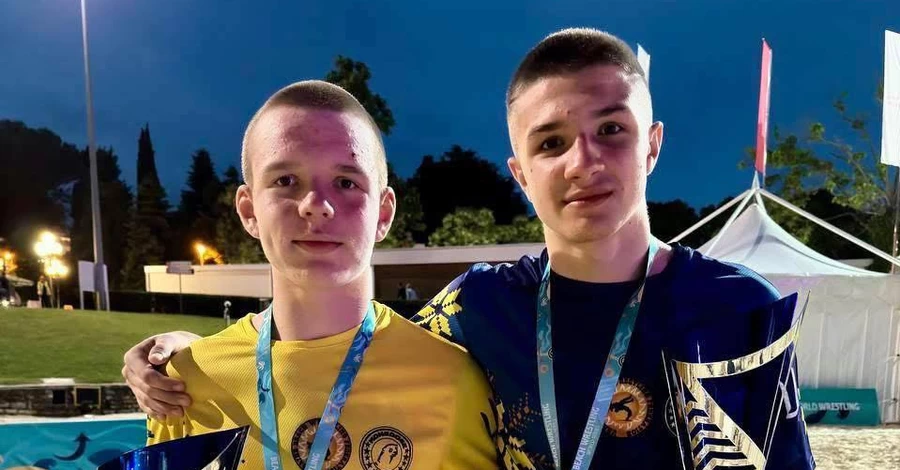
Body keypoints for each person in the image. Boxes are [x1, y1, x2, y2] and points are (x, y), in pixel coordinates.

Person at [122, 29, 814, 469]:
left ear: (653, 144)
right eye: (551, 142)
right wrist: (186, 353)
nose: (583, 162)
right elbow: (338, 343)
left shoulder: (738, 310)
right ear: (520, 172)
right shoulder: (479, 308)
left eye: (611, 130)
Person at [139, 80, 498, 469]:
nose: (316, 205)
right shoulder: (181, 384)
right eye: (286, 181)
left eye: (346, 182)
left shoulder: (450, 380)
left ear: (383, 213)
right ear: (248, 210)